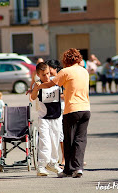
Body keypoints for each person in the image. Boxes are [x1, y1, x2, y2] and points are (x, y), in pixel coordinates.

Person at [37, 48, 90, 178]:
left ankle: (68, 169)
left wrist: (37, 87)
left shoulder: (65, 71)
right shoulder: (84, 71)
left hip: (72, 109)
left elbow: (50, 84)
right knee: (80, 140)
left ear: (66, 60)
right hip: (86, 109)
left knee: (69, 140)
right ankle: (78, 168)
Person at [31, 62, 63, 176]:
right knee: (45, 142)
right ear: (38, 75)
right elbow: (33, 97)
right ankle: (41, 166)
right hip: (44, 117)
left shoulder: (56, 81)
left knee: (55, 141)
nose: (47, 77)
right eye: (44, 75)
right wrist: (36, 88)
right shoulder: (38, 84)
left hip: (56, 116)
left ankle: (53, 163)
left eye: (48, 73)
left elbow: (63, 94)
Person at [46, 59, 65, 168]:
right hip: (50, 108)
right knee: (51, 134)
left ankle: (64, 158)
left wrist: (54, 94)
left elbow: (65, 94)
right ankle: (53, 158)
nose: (48, 72)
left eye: (50, 69)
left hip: (61, 108)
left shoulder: (61, 79)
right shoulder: (47, 80)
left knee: (61, 134)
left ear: (55, 69)